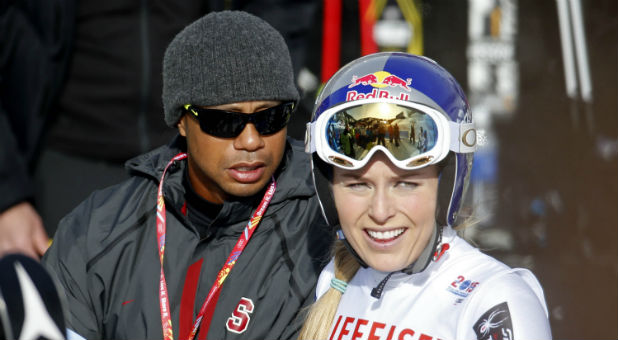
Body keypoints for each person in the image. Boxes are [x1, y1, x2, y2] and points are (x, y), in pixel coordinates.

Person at [42, 11, 331, 340]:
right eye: (224, 122)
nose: (251, 141)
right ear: (181, 120)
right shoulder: (96, 232)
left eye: (271, 118)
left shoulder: (328, 219)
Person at [300, 52, 552, 340]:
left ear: (445, 190)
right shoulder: (335, 279)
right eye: (359, 185)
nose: (380, 212)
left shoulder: (493, 300)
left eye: (405, 184)